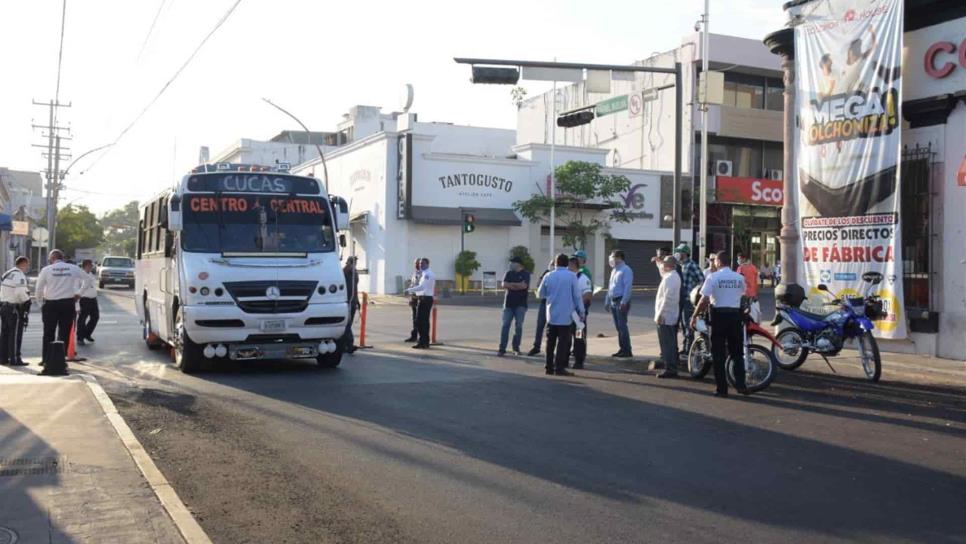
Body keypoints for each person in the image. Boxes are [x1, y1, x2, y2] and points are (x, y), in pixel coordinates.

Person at [690, 251, 748, 397]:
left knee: (718, 355)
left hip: (719, 317)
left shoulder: (713, 277)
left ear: (719, 262)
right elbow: (743, 296)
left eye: (715, 261)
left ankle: (722, 389)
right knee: (737, 354)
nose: (714, 263)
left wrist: (695, 315)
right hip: (735, 317)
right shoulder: (739, 278)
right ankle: (741, 385)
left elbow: (703, 300)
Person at [35, 249, 84, 375]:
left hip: (50, 304)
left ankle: (46, 360)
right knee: (64, 333)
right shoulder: (73, 268)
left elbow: (38, 289)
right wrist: (79, 293)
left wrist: (41, 304)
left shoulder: (47, 270)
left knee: (48, 333)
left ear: (52, 259)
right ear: (63, 258)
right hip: (67, 304)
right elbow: (88, 280)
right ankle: (61, 360)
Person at [536, 253, 584, 376]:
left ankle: (548, 367)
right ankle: (559, 367)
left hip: (551, 314)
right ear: (566, 263)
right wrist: (581, 311)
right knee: (562, 343)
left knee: (550, 342)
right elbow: (577, 296)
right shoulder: (571, 276)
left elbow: (540, 294)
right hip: (566, 315)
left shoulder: (548, 275)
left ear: (555, 263)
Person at [673, 244, 704, 357]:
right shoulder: (680, 266)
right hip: (680, 299)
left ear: (685, 253)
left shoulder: (691, 265)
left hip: (688, 300)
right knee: (682, 325)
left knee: (687, 325)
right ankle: (685, 347)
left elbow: (702, 280)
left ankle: (688, 349)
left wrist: (695, 293)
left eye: (679, 252)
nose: (677, 254)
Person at [0, 256, 31, 366]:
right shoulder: (19, 275)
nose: (28, 267)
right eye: (27, 265)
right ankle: (15, 359)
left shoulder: (7, 273)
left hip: (3, 306)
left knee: (4, 334)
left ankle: (3, 358)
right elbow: (20, 292)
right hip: (13, 308)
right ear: (23, 264)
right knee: (15, 334)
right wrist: (27, 301)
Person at [655, 256, 681, 378]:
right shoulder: (671, 276)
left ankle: (670, 368)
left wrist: (660, 313)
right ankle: (670, 366)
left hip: (666, 315)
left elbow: (667, 298)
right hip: (669, 314)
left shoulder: (670, 278)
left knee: (667, 343)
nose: (662, 266)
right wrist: (658, 263)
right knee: (669, 342)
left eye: (664, 264)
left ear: (668, 265)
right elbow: (662, 272)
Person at [498, 256, 530, 356]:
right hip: (508, 304)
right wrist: (516, 285)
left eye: (512, 263)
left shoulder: (525, 274)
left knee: (518, 326)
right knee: (505, 326)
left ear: (518, 264)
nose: (510, 265)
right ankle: (502, 348)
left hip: (520, 304)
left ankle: (516, 347)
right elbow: (503, 284)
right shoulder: (508, 273)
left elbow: (524, 286)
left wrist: (511, 285)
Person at [605, 249, 634, 358]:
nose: (611, 259)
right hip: (613, 300)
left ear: (619, 258)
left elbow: (627, 287)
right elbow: (610, 286)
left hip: (621, 300)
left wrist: (624, 301)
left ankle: (627, 350)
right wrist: (607, 300)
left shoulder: (626, 270)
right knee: (618, 327)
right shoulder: (614, 270)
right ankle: (622, 348)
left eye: (612, 257)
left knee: (622, 326)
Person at [404, 258, 435, 349]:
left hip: (425, 299)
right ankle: (423, 341)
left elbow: (422, 287)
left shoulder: (427, 274)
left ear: (428, 264)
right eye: (420, 263)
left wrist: (409, 290)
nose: (421, 265)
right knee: (421, 322)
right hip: (422, 298)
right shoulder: (423, 273)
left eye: (423, 263)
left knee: (422, 322)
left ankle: (424, 342)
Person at [568, 255, 592, 369]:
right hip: (566, 315)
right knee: (566, 337)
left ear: (573, 265)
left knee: (578, 337)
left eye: (569, 265)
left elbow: (587, 296)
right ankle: (563, 360)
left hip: (578, 316)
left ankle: (579, 361)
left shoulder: (583, 279)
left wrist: (576, 304)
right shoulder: (567, 278)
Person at [527, 259, 555, 357]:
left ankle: (551, 348)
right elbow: (539, 285)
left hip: (555, 304)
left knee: (552, 327)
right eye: (551, 264)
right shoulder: (547, 273)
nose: (552, 266)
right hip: (544, 303)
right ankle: (536, 346)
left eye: (553, 264)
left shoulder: (562, 275)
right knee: (540, 325)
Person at [76, 259, 99, 346]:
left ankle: (87, 334)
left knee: (95, 317)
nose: (91, 267)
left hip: (93, 299)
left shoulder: (91, 274)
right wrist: (77, 305)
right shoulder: (80, 276)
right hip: (84, 299)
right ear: (85, 266)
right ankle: (80, 338)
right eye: (90, 265)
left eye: (91, 265)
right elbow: (76, 290)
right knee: (82, 319)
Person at [342, 256, 360, 354]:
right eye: (353, 262)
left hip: (353, 301)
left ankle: (345, 344)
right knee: (347, 324)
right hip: (346, 301)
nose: (354, 264)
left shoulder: (355, 273)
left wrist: (357, 301)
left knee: (349, 324)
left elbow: (355, 289)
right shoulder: (345, 272)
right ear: (348, 262)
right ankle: (349, 344)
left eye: (355, 262)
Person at [404, 258, 421, 342]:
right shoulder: (415, 272)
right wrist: (410, 294)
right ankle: (414, 336)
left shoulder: (423, 273)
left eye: (417, 263)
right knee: (414, 317)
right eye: (415, 264)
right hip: (414, 297)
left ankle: (420, 336)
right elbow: (412, 284)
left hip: (419, 297)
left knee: (419, 318)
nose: (416, 265)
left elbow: (420, 286)